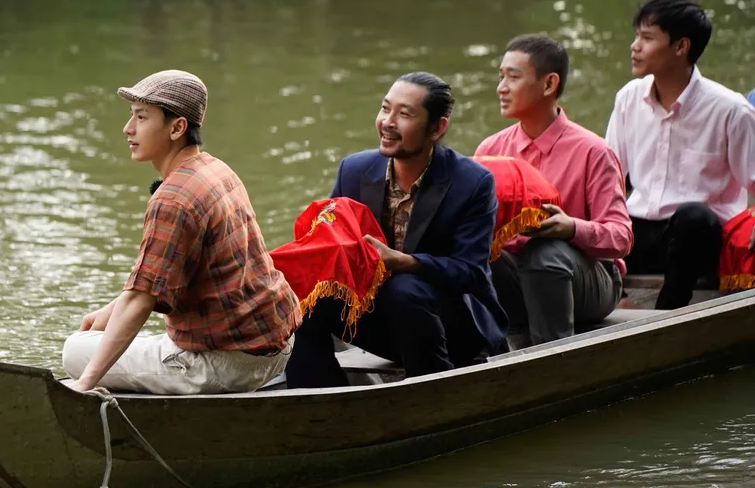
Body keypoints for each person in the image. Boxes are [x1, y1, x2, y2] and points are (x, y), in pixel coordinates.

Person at [62, 69, 300, 395]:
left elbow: (142, 299)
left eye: (142, 117)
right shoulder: (216, 169)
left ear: (177, 128)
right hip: (277, 349)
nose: (128, 129)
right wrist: (111, 310)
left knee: (75, 350)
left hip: (229, 365)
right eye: (132, 115)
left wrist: (86, 383)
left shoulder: (173, 199)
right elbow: (156, 281)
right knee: (105, 335)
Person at [285, 72, 509, 386]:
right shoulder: (354, 170)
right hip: (381, 320)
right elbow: (333, 242)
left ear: (437, 128)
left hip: (451, 325)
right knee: (302, 291)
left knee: (404, 289)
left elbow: (470, 272)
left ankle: (434, 392)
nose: (388, 122)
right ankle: (318, 399)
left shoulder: (473, 182)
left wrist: (405, 263)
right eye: (385, 109)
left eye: (404, 114)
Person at [476, 35, 632, 346]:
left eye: (514, 77)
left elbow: (621, 238)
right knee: (472, 251)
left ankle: (552, 354)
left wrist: (570, 228)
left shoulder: (593, 151)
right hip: (518, 276)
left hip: (588, 281)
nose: (501, 88)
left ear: (549, 85)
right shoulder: (491, 150)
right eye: (501, 76)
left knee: (544, 252)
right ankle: (483, 351)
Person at [605, 0, 755, 309]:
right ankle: (615, 297)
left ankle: (667, 315)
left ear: (681, 46)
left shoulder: (730, 110)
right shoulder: (629, 98)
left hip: (700, 238)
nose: (635, 46)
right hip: (642, 232)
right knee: (593, 212)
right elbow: (609, 176)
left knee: (694, 217)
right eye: (637, 36)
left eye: (647, 38)